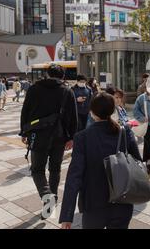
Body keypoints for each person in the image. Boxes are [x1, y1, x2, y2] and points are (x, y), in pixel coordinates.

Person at [59, 93, 142, 229]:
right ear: (112, 110)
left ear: (92, 113)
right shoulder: (125, 132)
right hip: (122, 202)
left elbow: (74, 178)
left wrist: (67, 216)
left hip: (93, 205)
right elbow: (138, 162)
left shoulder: (82, 137)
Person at [20, 64, 78, 219]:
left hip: (38, 136)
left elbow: (25, 111)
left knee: (37, 170)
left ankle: (47, 196)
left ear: (47, 74)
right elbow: (73, 117)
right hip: (59, 137)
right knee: (55, 169)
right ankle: (53, 199)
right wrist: (71, 137)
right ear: (63, 76)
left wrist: (24, 132)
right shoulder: (67, 91)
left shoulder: (34, 89)